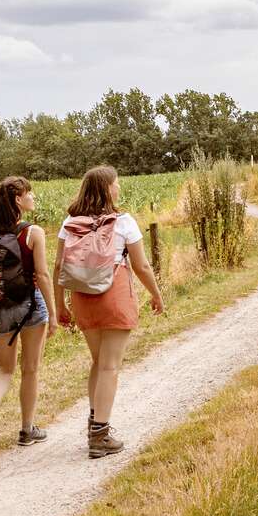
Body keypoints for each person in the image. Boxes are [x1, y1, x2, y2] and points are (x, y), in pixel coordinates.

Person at [53, 165, 164, 458]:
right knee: (109, 366)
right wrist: (156, 294)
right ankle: (100, 436)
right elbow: (141, 266)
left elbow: (58, 267)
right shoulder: (123, 222)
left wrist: (60, 304)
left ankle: (94, 424)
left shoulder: (69, 222)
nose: (119, 188)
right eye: (116, 184)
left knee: (98, 362)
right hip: (112, 294)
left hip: (81, 296)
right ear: (106, 189)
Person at [0, 176, 53, 450]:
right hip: (29, 305)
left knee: (4, 369)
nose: (33, 197)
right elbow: (41, 274)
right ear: (18, 199)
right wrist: (52, 312)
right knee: (30, 369)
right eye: (30, 193)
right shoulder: (33, 232)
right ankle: (27, 430)